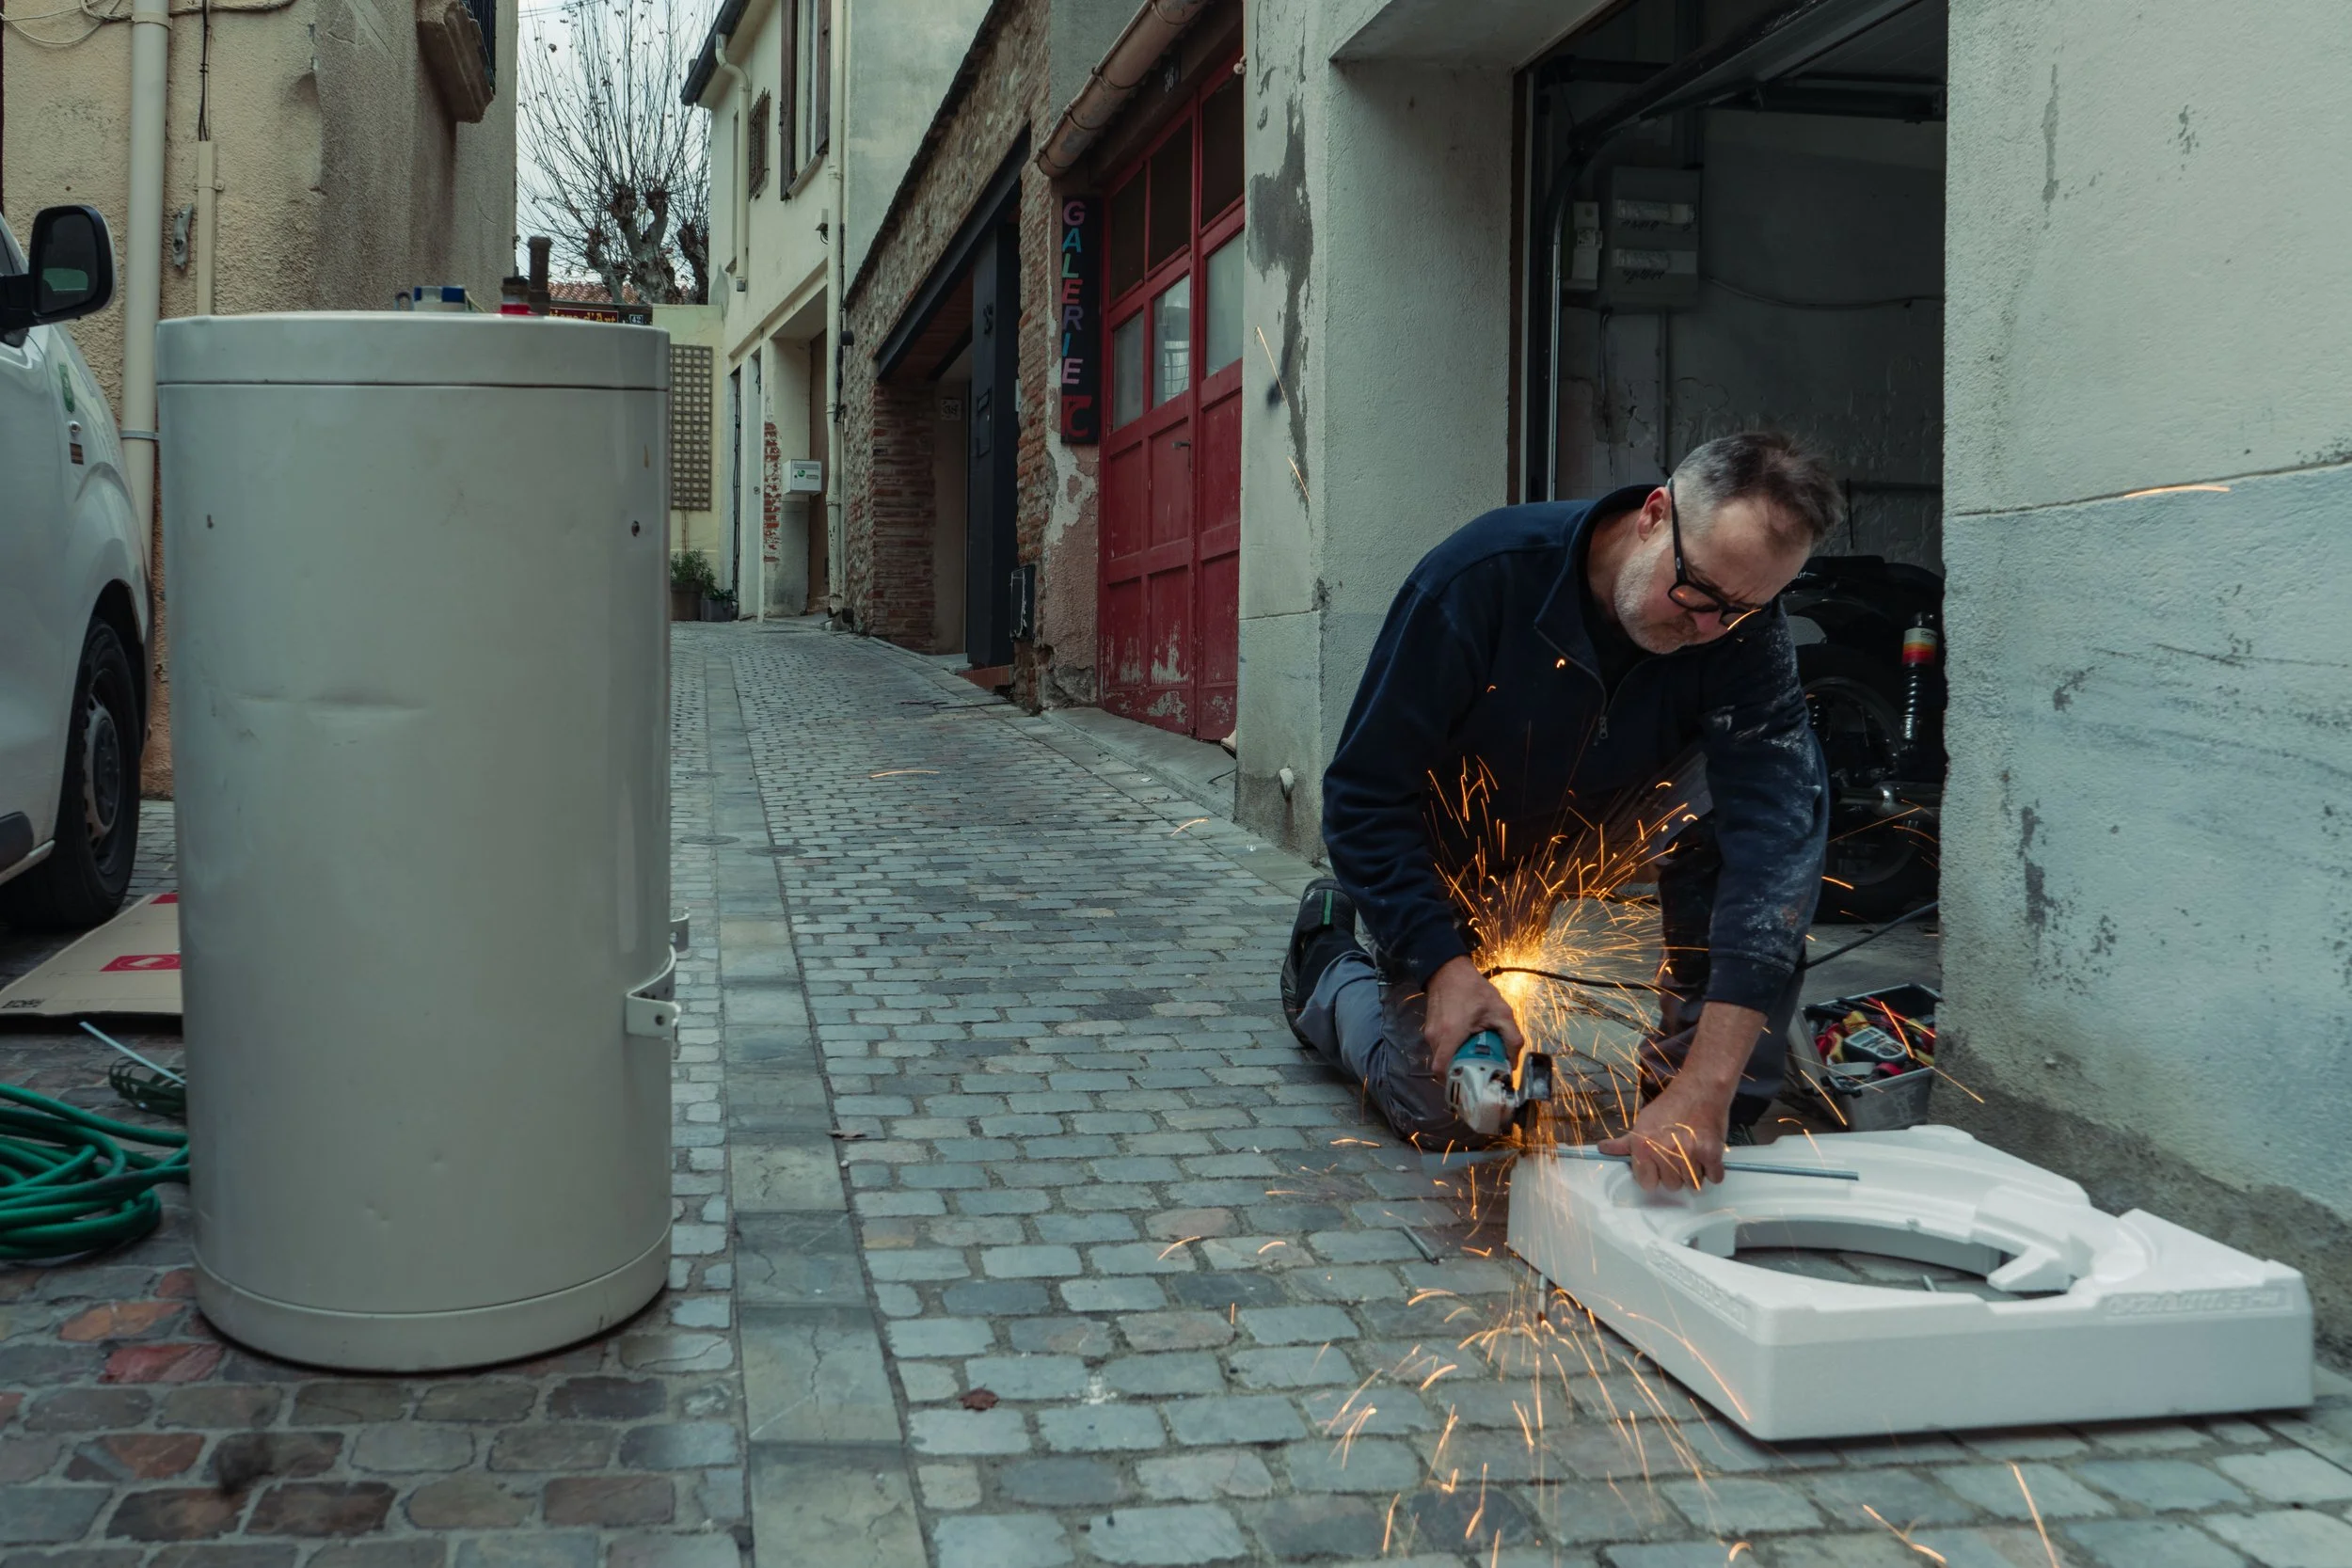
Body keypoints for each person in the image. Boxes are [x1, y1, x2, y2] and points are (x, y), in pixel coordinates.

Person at [1279, 432, 1837, 1191]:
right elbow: (1362, 793)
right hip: (1464, 853)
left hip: (1612, 828)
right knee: (1462, 1113)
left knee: (1774, 807)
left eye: (1740, 611)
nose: (1709, 629)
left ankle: (1695, 1092)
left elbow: (1777, 847)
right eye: (1698, 594)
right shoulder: (1480, 579)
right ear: (1653, 514)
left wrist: (1706, 1085)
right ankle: (1329, 958)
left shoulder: (1741, 629)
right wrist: (1441, 964)